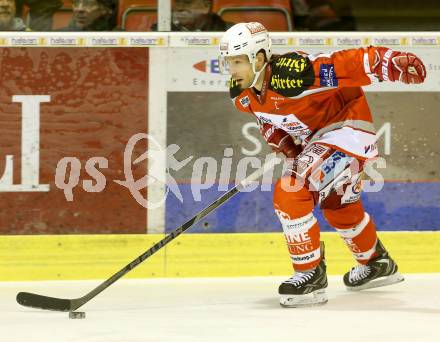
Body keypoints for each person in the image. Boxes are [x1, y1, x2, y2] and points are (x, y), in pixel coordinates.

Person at [218, 22, 426, 307]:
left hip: (347, 133)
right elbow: (267, 121)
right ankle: (376, 264)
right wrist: (282, 143)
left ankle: (310, 274)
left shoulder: (291, 73)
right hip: (323, 141)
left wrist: (386, 61)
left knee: (292, 191)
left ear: (260, 58)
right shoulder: (241, 92)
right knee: (340, 206)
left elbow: (342, 64)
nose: (232, 69)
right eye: (229, 62)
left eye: (238, 61)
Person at [153, 0, 230, 31]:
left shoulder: (232, 32)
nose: (179, 8)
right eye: (177, 2)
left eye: (187, 3)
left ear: (206, 7)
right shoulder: (159, 30)